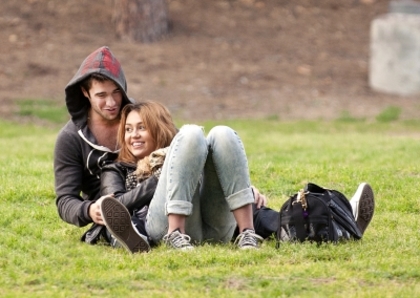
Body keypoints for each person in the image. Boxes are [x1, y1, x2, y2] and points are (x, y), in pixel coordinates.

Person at [99, 102, 266, 252]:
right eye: (128, 129)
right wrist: (164, 175)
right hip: (161, 225)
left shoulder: (186, 151)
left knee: (223, 133)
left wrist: (242, 186)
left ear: (159, 128)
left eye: (141, 127)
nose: (133, 135)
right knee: (191, 132)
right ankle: (175, 233)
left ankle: (247, 234)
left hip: (216, 228)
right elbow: (115, 206)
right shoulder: (115, 168)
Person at [53, 46, 157, 247]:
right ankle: (129, 235)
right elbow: (65, 199)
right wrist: (90, 210)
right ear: (85, 92)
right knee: (117, 221)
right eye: (101, 95)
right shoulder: (70, 138)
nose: (111, 102)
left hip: (153, 196)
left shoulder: (143, 116)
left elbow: (181, 147)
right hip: (114, 212)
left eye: (116, 92)